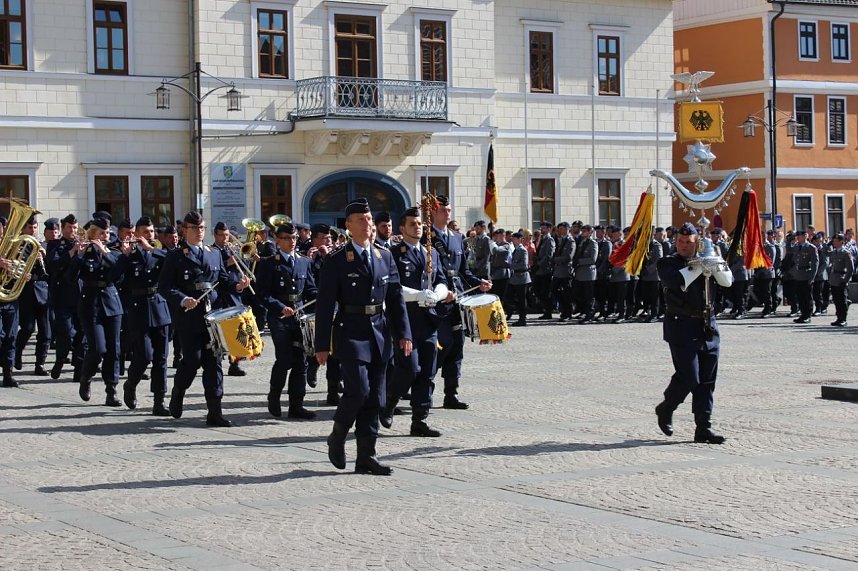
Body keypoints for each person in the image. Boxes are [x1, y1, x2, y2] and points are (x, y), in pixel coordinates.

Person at [315, 198, 412, 475]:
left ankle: (366, 456)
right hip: (350, 331)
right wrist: (321, 344)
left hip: (379, 332)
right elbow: (325, 305)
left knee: (376, 399)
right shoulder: (337, 260)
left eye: (369, 219)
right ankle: (337, 435)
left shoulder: (384, 256)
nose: (367, 224)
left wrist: (404, 333)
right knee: (358, 391)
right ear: (348, 225)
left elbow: (395, 298)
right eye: (360, 219)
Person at [158, 211, 251, 427]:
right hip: (189, 317)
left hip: (214, 317)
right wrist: (183, 300)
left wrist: (238, 285)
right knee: (192, 360)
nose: (199, 232)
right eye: (194, 228)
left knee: (214, 362)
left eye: (201, 228)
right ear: (185, 230)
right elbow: (165, 287)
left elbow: (223, 281)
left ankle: (215, 412)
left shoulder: (213, 253)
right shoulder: (176, 256)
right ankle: (178, 391)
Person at [655, 223, 733, 444]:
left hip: (707, 325)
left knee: (707, 380)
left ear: (697, 243)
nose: (683, 246)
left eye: (688, 243)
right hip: (681, 325)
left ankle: (703, 427)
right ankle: (666, 407)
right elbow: (676, 281)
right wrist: (699, 265)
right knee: (689, 376)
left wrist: (713, 261)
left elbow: (727, 281)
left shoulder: (708, 260)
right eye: (680, 241)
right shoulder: (668, 262)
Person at [382, 207, 449, 436]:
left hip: (428, 321)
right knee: (409, 368)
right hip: (405, 320)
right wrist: (417, 295)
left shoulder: (431, 253)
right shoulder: (393, 254)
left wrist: (437, 295)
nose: (418, 227)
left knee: (427, 371)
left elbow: (441, 280)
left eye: (420, 224)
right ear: (402, 228)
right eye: (412, 224)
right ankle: (389, 402)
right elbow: (392, 287)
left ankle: (419, 420)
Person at [426, 195, 491, 409]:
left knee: (457, 346)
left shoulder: (456, 238)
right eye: (443, 210)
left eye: (449, 210)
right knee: (440, 345)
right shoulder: (426, 237)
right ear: (433, 212)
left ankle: (451, 394)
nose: (447, 214)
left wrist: (478, 283)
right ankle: (424, 391)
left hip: (458, 300)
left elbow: (464, 271)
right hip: (437, 301)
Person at [256, 222, 317, 419]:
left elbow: (309, 289)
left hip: (299, 316)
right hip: (279, 317)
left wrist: (321, 297)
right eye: (287, 238)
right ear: (277, 240)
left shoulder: (303, 262)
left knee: (301, 360)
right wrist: (280, 307)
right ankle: (274, 396)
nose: (292, 242)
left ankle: (296, 405)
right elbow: (262, 294)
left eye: (294, 238)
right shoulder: (269, 263)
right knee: (284, 359)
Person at [113, 216, 171, 415]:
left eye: (152, 232)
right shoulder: (129, 255)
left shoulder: (159, 254)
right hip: (138, 310)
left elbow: (173, 261)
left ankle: (159, 401)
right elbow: (114, 278)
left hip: (159, 308)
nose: (150, 235)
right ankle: (131, 384)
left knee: (161, 358)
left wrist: (151, 249)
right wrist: (124, 257)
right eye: (145, 232)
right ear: (136, 234)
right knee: (144, 356)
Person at [69, 218, 124, 406]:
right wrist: (77, 256)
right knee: (98, 348)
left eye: (107, 233)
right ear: (92, 234)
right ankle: (86, 376)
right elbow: (70, 277)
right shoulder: (85, 252)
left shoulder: (114, 253)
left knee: (114, 349)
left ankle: (111, 390)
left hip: (111, 303)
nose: (105, 236)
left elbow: (118, 275)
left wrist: (104, 252)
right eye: (101, 233)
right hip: (90, 303)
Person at [14, 215, 51, 376]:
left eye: (35, 227)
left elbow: (52, 268)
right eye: (29, 228)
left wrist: (44, 257)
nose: (33, 230)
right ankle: (17, 353)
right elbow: (15, 266)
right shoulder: (18, 246)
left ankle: (40, 364)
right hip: (26, 291)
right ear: (23, 229)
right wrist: (29, 261)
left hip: (43, 289)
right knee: (28, 328)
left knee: (45, 331)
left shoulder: (43, 245)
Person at [211, 222, 247, 377]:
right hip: (220, 295)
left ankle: (235, 364)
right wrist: (227, 263)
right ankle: (216, 363)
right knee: (219, 332)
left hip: (234, 294)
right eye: (221, 235)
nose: (224, 238)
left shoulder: (231, 249)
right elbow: (214, 272)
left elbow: (243, 267)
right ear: (215, 235)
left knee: (236, 330)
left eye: (226, 235)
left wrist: (245, 258)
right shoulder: (212, 251)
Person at [788, 229, 818, 324]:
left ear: (805, 236)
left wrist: (812, 277)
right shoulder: (796, 247)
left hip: (806, 274)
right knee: (800, 296)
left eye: (800, 236)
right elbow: (792, 257)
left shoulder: (811, 248)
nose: (798, 238)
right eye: (797, 236)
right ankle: (802, 314)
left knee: (807, 296)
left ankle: (807, 315)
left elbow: (815, 264)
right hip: (798, 274)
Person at [573, 224, 598, 323]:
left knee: (588, 296)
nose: (583, 233)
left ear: (590, 232)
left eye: (585, 231)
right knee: (579, 294)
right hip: (580, 273)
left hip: (588, 273)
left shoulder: (593, 243)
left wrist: (579, 261)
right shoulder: (582, 242)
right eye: (582, 231)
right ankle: (584, 312)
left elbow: (593, 259)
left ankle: (589, 315)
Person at [827, 234, 853, 326]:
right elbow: (825, 253)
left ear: (841, 242)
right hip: (834, 279)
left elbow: (850, 269)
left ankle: (843, 319)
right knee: (836, 300)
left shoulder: (846, 253)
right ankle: (839, 318)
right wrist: (828, 245)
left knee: (842, 300)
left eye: (835, 241)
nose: (834, 242)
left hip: (841, 278)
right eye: (833, 241)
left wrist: (845, 280)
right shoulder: (834, 252)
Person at [551, 222, 575, 321]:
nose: (560, 231)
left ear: (566, 229)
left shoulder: (570, 241)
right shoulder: (562, 240)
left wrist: (555, 260)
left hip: (566, 270)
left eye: (561, 229)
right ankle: (564, 309)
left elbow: (568, 257)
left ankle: (568, 313)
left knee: (566, 293)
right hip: (558, 271)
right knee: (554, 289)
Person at [507, 232, 531, 326]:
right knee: (511, 297)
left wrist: (511, 265)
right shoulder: (516, 249)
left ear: (519, 239)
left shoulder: (522, 250)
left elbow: (524, 265)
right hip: (515, 278)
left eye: (514, 239)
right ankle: (517, 314)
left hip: (521, 277)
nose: (513, 240)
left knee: (521, 299)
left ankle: (522, 319)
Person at [533, 222, 556, 319]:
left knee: (545, 292)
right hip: (539, 269)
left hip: (545, 269)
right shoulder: (542, 239)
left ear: (549, 229)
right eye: (541, 228)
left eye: (544, 228)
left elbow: (549, 255)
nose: (542, 230)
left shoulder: (550, 240)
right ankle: (546, 309)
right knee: (537, 290)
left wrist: (539, 263)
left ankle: (548, 311)